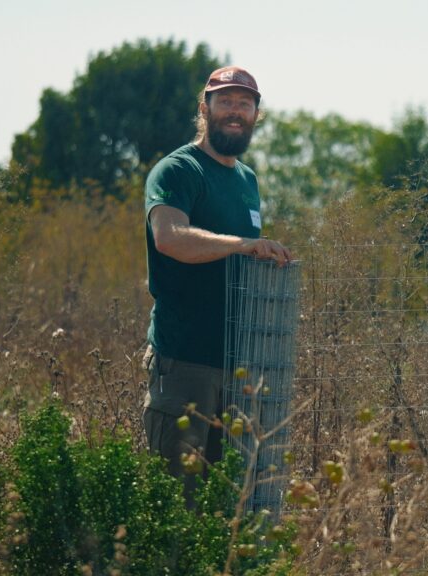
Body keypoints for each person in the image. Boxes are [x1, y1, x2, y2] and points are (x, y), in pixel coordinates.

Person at [141, 65, 292, 506]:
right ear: (204, 108)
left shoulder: (247, 181)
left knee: (229, 508)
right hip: (185, 365)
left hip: (240, 370)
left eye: (244, 103)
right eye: (225, 101)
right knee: (176, 506)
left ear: (256, 115)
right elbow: (169, 238)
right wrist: (244, 245)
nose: (235, 111)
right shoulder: (178, 170)